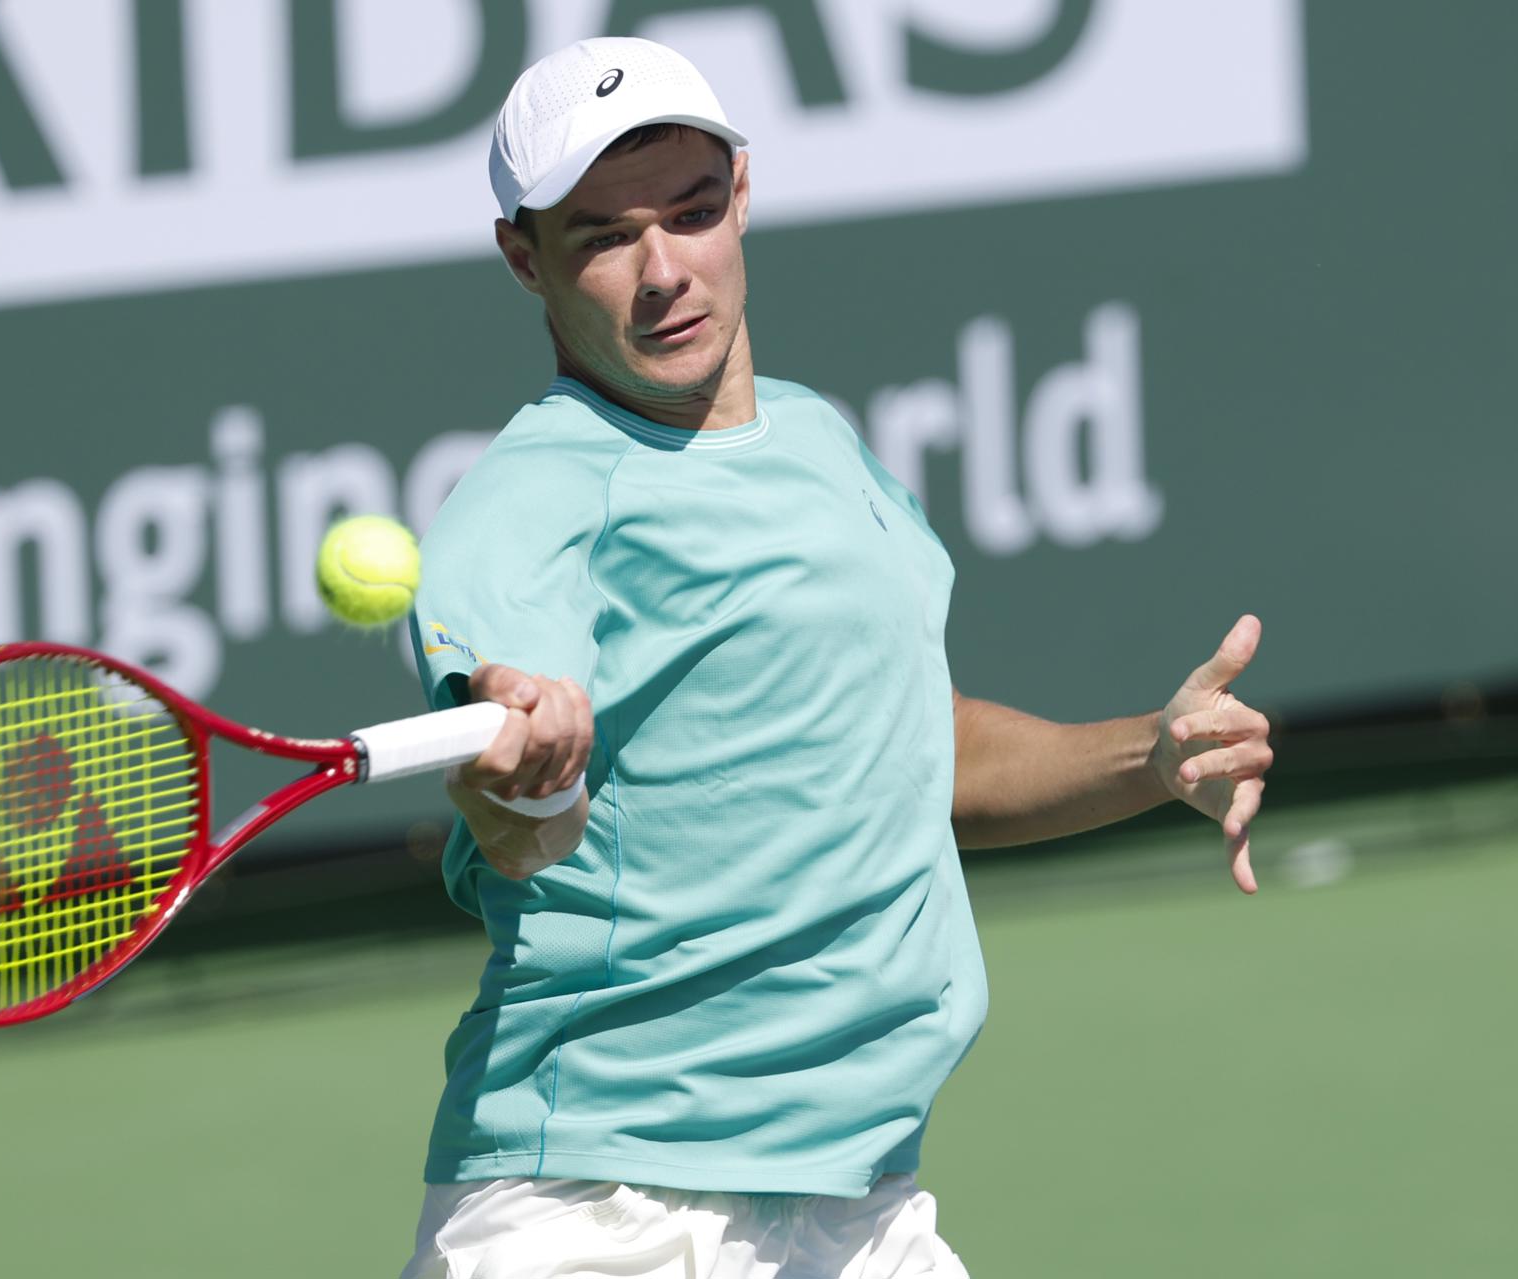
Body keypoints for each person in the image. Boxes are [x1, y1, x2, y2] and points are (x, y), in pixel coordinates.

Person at [400, 36, 1273, 1279]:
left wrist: (1151, 754)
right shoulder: (526, 501)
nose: (664, 272)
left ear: (742, 195)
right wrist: (526, 772)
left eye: (693, 214)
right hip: (599, 1206)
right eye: (603, 236)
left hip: (854, 1198)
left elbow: (917, 747)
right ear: (521, 257)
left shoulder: (820, 441)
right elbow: (517, 826)